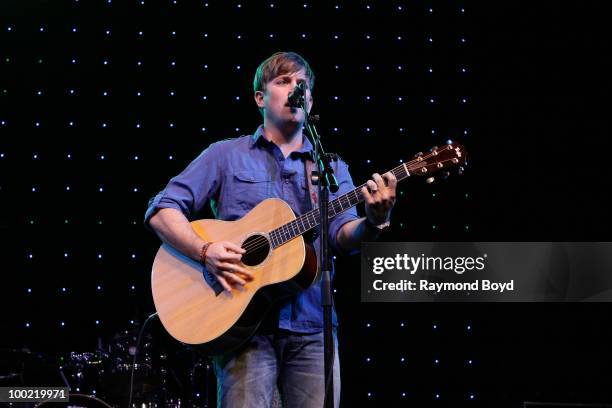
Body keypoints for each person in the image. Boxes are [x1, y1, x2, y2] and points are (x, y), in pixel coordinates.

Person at [145, 51, 396, 408]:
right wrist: (204, 251)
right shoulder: (225, 155)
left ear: (310, 101)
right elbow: (161, 209)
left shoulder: (331, 169)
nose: (296, 88)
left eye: (302, 84)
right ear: (260, 98)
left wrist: (375, 220)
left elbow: (344, 236)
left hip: (313, 329)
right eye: (284, 81)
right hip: (242, 326)